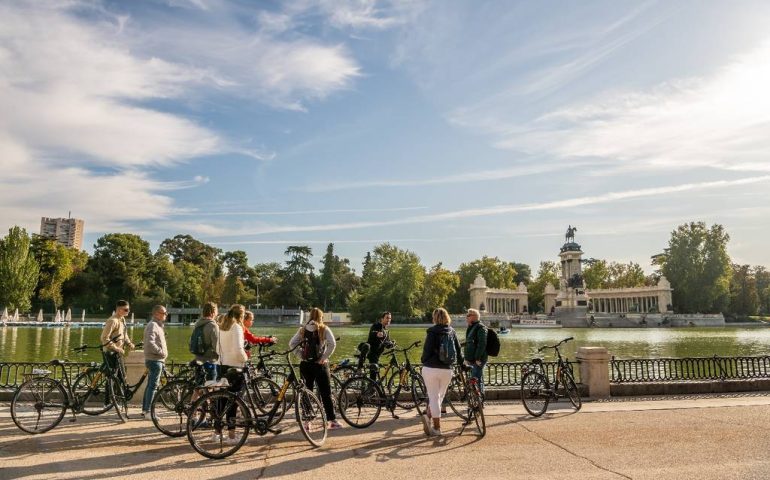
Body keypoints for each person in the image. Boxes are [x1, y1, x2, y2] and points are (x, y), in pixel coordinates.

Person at [289, 307, 342, 430]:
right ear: (320, 317)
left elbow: (292, 343)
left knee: (306, 392)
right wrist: (323, 357)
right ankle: (331, 421)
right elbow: (332, 344)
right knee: (326, 393)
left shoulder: (302, 330)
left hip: (306, 365)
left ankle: (307, 422)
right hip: (320, 365)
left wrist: (301, 355)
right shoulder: (323, 328)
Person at [419, 307, 463, 437]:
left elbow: (427, 350)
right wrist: (462, 364)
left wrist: (424, 360)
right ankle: (428, 417)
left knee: (433, 397)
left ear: (434, 318)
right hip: (447, 369)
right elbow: (459, 351)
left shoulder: (432, 331)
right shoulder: (451, 331)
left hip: (431, 368)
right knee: (439, 397)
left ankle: (437, 428)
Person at [216, 304, 249, 444]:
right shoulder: (236, 327)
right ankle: (231, 435)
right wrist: (245, 358)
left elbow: (217, 347)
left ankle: (217, 432)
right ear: (241, 315)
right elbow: (238, 349)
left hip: (221, 365)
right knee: (234, 402)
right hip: (235, 366)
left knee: (221, 400)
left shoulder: (223, 326)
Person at [141, 305, 168, 419]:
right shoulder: (153, 325)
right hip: (155, 360)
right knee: (153, 386)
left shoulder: (157, 325)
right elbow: (149, 343)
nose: (166, 315)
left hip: (155, 359)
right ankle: (148, 412)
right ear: (156, 313)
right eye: (164, 313)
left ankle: (145, 410)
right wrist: (161, 352)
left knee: (150, 386)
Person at [100, 300, 135, 385]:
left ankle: (118, 397)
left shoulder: (122, 319)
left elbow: (124, 334)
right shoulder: (112, 321)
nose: (128, 311)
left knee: (122, 378)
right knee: (111, 379)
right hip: (110, 353)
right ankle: (109, 398)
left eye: (128, 309)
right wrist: (116, 348)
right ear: (119, 310)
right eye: (126, 310)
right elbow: (104, 338)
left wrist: (129, 343)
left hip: (118, 353)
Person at [192, 302, 220, 385]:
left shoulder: (197, 324)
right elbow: (217, 346)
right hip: (209, 360)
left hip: (198, 358)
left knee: (199, 388)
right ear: (213, 312)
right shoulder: (213, 325)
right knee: (209, 388)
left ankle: (195, 399)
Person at [463, 308, 488, 395]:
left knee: (477, 380)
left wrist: (477, 358)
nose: (466, 317)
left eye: (468, 315)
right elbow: (470, 342)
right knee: (474, 381)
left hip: (477, 360)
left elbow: (482, 344)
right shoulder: (472, 327)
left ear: (474, 317)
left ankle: (480, 401)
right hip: (471, 359)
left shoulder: (480, 328)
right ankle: (475, 402)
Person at [366, 311, 392, 379]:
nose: (388, 320)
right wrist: (376, 333)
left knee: (375, 373)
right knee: (373, 374)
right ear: (382, 319)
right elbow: (372, 333)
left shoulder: (386, 330)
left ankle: (373, 387)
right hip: (372, 353)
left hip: (377, 355)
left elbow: (386, 343)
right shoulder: (376, 325)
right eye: (387, 318)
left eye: (390, 318)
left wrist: (392, 344)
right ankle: (372, 388)